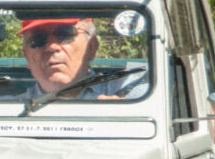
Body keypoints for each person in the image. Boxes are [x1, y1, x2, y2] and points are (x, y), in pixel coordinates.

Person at [20, 17, 148, 99]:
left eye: (65, 34)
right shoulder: (11, 107)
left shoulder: (133, 90)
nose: (51, 47)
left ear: (91, 47)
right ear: (26, 56)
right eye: (37, 40)